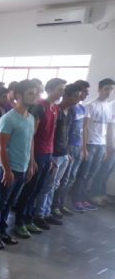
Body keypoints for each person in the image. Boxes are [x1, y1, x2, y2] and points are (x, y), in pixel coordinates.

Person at [0, 80, 37, 249]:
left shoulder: (30, 118)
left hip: (22, 168)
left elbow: (30, 142)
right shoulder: (8, 118)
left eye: (35, 93)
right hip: (5, 168)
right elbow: (1, 147)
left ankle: (2, 230)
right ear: (19, 96)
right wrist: (7, 171)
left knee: (10, 203)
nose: (34, 96)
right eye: (30, 93)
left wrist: (31, 163)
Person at [14, 78, 66, 233]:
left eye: (63, 90)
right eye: (60, 89)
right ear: (50, 89)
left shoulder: (55, 108)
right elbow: (32, 135)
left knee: (37, 190)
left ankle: (29, 219)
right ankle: (19, 222)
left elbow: (52, 133)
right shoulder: (39, 107)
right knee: (29, 190)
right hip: (37, 154)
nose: (62, 93)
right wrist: (32, 159)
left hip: (47, 154)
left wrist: (51, 156)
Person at [72, 78, 115, 210]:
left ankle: (84, 199)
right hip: (90, 144)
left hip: (101, 145)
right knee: (84, 174)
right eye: (106, 88)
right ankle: (77, 200)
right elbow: (84, 128)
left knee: (92, 174)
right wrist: (84, 148)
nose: (109, 91)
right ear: (99, 89)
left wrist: (107, 147)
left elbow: (108, 128)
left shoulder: (109, 107)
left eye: (111, 89)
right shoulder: (90, 105)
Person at [48, 84, 83, 223]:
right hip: (54, 153)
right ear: (66, 96)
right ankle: (42, 212)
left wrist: (67, 153)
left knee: (57, 184)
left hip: (63, 153)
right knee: (48, 186)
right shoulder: (56, 110)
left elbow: (67, 134)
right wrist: (50, 155)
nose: (78, 99)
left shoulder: (72, 112)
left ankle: (51, 209)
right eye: (75, 96)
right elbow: (51, 135)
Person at [61, 80, 90, 213]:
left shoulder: (82, 108)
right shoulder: (70, 108)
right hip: (70, 147)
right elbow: (65, 131)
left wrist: (84, 148)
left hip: (78, 147)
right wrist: (66, 150)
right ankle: (55, 205)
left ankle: (61, 204)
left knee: (72, 178)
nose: (86, 94)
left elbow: (83, 130)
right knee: (64, 178)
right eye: (84, 91)